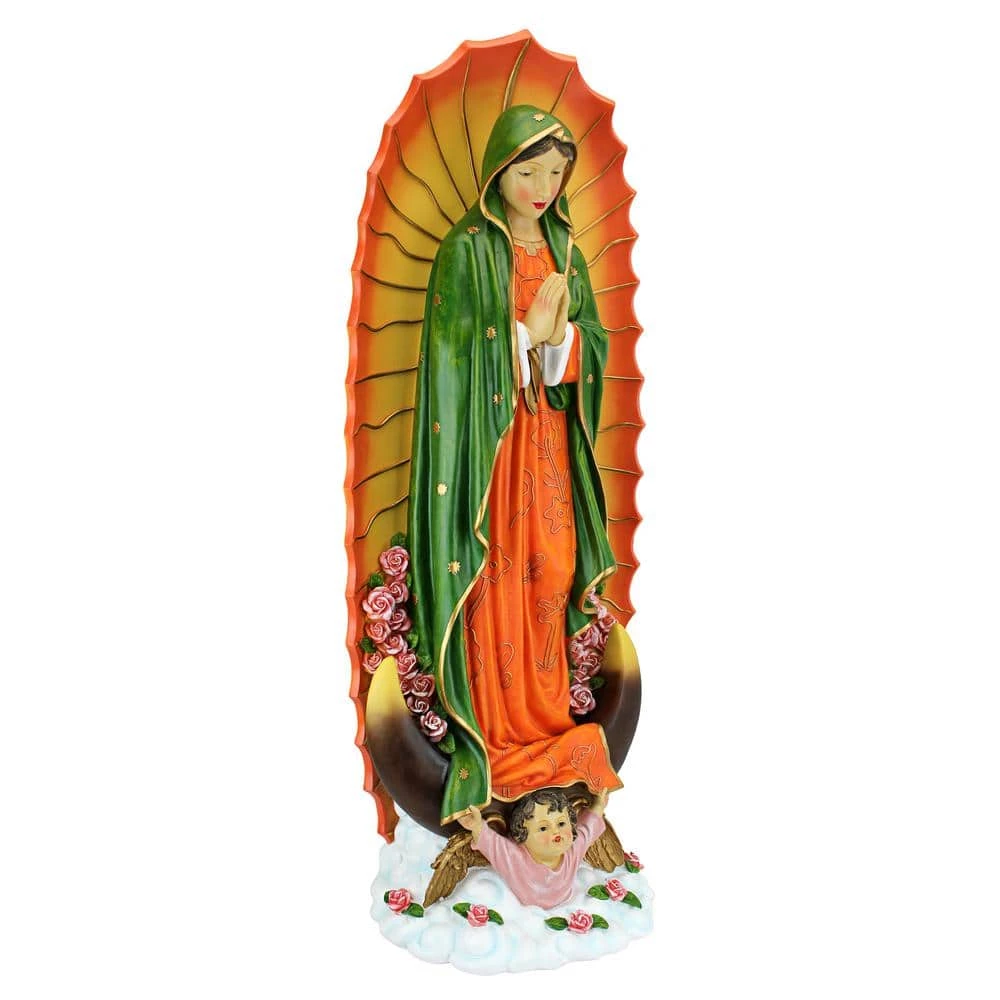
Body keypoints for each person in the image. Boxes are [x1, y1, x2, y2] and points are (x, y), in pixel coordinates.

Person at [408, 105, 623, 826]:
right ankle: (496, 734)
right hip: (489, 454)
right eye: (528, 171)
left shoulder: (567, 251)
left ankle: (549, 726)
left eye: (556, 172)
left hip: (549, 445)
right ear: (499, 170)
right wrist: (520, 336)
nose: (543, 187)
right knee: (497, 576)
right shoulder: (465, 249)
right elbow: (449, 354)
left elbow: (591, 347)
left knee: (552, 569)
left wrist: (562, 343)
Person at [457, 788, 609, 909]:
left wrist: (599, 806)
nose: (556, 832)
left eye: (561, 824)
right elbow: (492, 843)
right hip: (524, 914)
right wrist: (476, 826)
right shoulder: (515, 858)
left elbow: (587, 829)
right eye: (543, 828)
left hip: (567, 907)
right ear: (522, 836)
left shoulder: (572, 851)